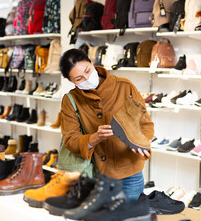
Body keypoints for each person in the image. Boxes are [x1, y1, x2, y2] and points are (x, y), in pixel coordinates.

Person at [59, 49, 154, 201]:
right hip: (98, 175)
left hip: (131, 172)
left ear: (91, 62)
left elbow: (145, 123)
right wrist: (94, 138)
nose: (87, 78)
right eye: (79, 79)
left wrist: (143, 141)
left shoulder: (124, 86)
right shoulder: (70, 100)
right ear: (71, 81)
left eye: (88, 71)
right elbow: (70, 139)